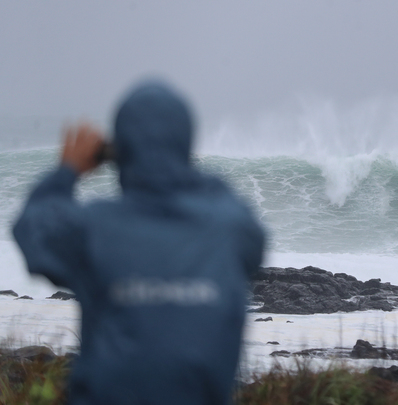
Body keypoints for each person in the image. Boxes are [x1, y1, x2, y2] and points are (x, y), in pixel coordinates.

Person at [13, 81, 265, 404]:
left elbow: (35, 229)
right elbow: (249, 229)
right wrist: (182, 171)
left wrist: (67, 171)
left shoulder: (94, 227)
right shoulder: (228, 231)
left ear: (120, 149)